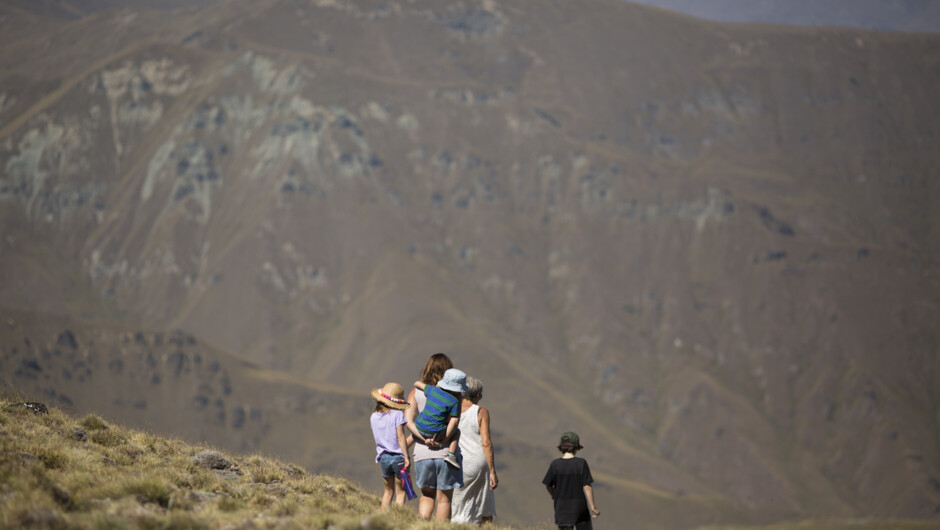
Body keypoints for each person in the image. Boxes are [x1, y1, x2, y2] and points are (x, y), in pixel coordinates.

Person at [407, 353, 464, 522]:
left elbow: (409, 422)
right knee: (444, 499)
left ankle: (423, 525)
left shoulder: (416, 392)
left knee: (427, 495)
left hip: (422, 453)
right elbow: (455, 422)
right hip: (446, 453)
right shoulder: (455, 396)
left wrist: (424, 439)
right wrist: (443, 440)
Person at [451, 375, 498, 524]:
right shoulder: (481, 412)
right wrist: (492, 470)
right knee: (483, 502)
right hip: (478, 462)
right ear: (477, 395)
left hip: (455, 461)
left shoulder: (452, 409)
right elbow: (486, 443)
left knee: (456, 502)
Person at [409, 368, 466, 469]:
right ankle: (451, 455)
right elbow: (455, 421)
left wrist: (437, 386)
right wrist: (444, 441)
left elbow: (416, 383)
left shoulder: (432, 390)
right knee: (457, 432)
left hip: (420, 428)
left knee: (415, 434)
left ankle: (401, 448)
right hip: (437, 433)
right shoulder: (454, 401)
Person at [542, 431, 600, 530]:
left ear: (561, 446)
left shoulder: (555, 465)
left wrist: (555, 496)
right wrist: (593, 507)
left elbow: (548, 485)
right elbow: (587, 486)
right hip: (579, 508)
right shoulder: (581, 463)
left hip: (561, 508)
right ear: (576, 447)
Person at [369, 382, 411, 510]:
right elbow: (400, 437)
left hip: (383, 458)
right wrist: (406, 457)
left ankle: (383, 519)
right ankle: (396, 521)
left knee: (388, 492)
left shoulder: (374, 417)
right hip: (398, 458)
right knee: (401, 492)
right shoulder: (398, 415)